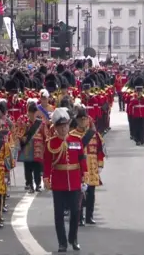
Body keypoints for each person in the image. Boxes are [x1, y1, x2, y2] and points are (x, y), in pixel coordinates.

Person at [43, 108, 88, 253]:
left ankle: (73, 239)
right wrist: (46, 178)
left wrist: (85, 176)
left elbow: (82, 159)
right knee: (59, 215)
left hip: (74, 181)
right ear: (55, 128)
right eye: (61, 126)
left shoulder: (76, 140)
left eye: (66, 126)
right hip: (59, 183)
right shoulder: (51, 143)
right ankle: (62, 242)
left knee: (76, 212)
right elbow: (47, 163)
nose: (64, 129)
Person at [71, 105, 104, 226]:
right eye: (81, 119)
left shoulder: (94, 134)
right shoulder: (72, 135)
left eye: (85, 119)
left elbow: (100, 150)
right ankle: (79, 217)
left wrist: (100, 164)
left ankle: (89, 216)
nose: (83, 121)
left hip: (93, 167)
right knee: (79, 195)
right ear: (77, 121)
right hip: (79, 167)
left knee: (91, 194)